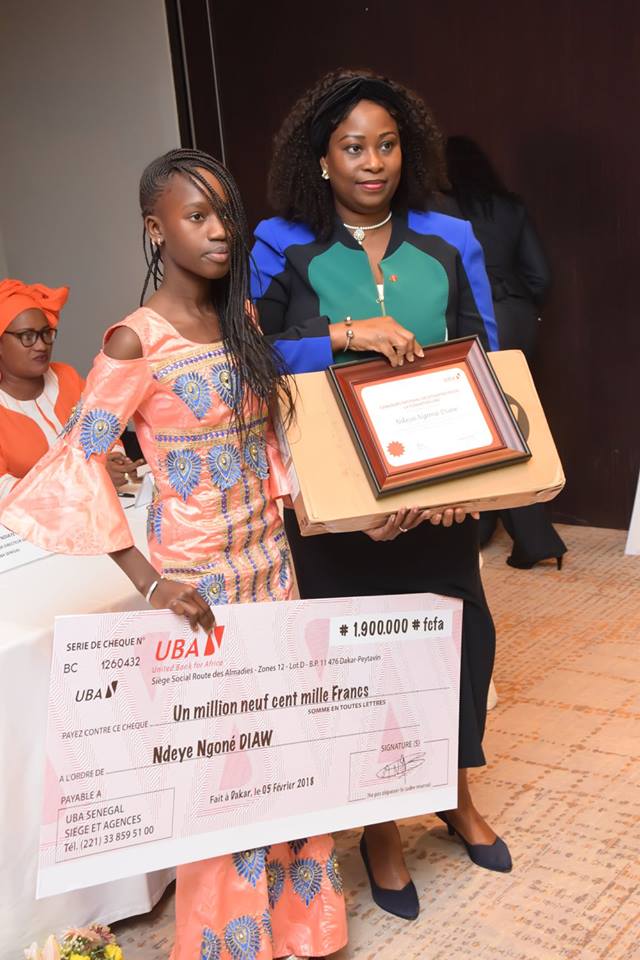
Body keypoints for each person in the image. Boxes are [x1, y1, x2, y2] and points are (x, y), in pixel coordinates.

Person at [1, 149, 347, 960]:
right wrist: (151, 583)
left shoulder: (242, 318)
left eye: (226, 214)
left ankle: (303, 928)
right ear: (156, 229)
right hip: (201, 589)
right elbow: (77, 462)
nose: (220, 231)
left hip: (273, 567)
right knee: (224, 771)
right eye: (197, 216)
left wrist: (310, 507)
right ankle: (231, 943)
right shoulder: (135, 341)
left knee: (286, 745)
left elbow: (269, 438)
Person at [251, 70, 511, 923]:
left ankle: (456, 793)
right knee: (360, 665)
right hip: (335, 502)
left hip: (436, 489)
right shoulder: (279, 243)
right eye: (354, 147)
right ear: (321, 159)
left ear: (410, 150)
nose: (374, 162)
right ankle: (381, 827)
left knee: (459, 647)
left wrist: (473, 486)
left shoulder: (449, 239)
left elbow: (487, 362)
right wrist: (345, 334)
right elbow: (254, 355)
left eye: (388, 145)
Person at [445, 135, 567, 569]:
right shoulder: (510, 207)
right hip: (516, 315)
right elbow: (540, 275)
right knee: (508, 419)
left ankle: (532, 537)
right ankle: (487, 525)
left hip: (473, 319)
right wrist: (522, 307)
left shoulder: (440, 209)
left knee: (482, 427)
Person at [0, 279, 142, 498]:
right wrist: (87, 478)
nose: (41, 345)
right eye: (27, 336)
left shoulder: (66, 377)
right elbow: (4, 490)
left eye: (46, 333)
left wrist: (114, 460)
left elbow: (104, 429)